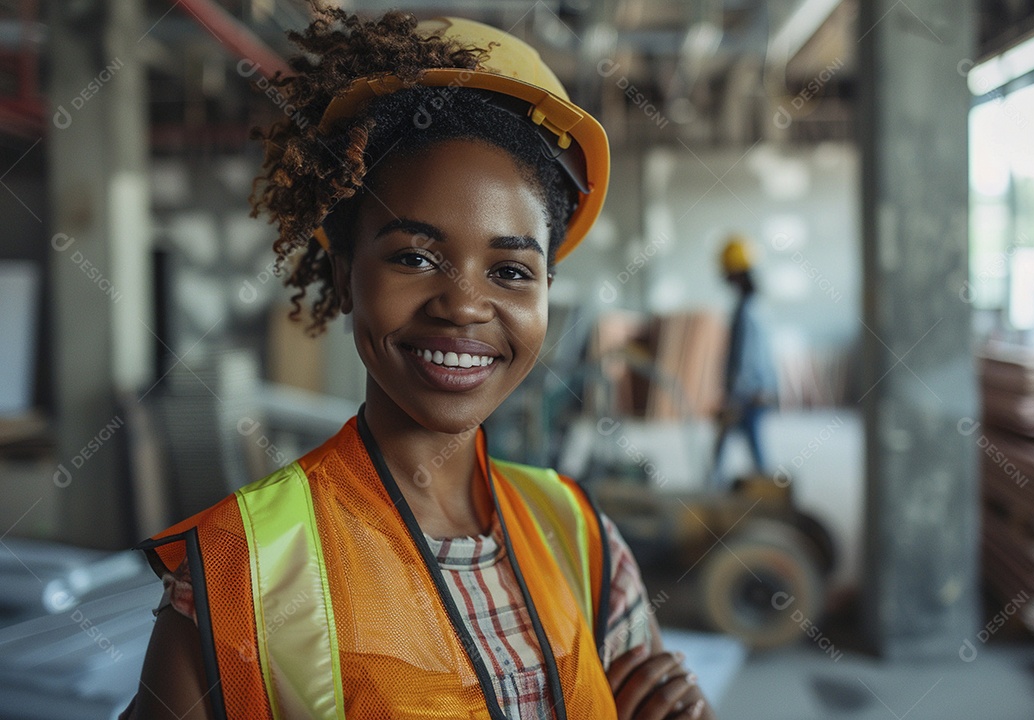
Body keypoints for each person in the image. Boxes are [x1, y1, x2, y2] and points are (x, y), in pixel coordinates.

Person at [122, 7, 715, 720]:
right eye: (414, 257)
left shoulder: (581, 537)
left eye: (512, 271)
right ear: (344, 276)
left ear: (548, 293)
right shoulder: (234, 570)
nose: (464, 306)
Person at [710, 235, 778, 490]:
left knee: (742, 444)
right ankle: (720, 484)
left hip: (749, 394)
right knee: (735, 443)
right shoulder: (757, 305)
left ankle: (763, 491)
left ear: (736, 273)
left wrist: (734, 396)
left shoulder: (747, 310)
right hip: (756, 391)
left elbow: (746, 358)